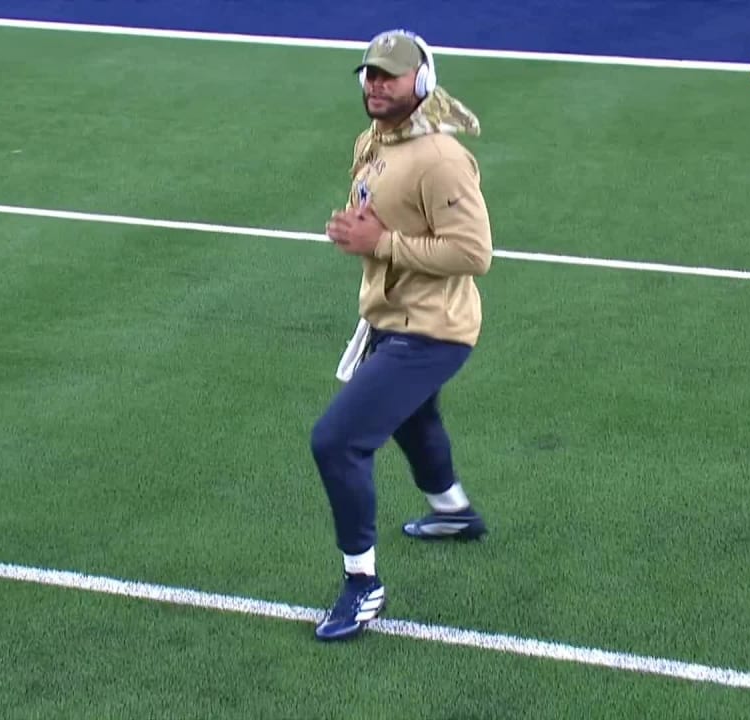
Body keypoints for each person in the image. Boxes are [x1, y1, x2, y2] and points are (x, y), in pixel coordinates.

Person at [312, 28, 494, 642]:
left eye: (389, 75)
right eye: (369, 73)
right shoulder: (379, 143)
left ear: (420, 84)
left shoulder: (440, 158)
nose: (375, 84)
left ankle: (363, 587)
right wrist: (367, 234)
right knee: (414, 421)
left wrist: (380, 242)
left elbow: (474, 252)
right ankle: (453, 512)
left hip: (432, 330)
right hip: (393, 320)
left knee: (337, 442)